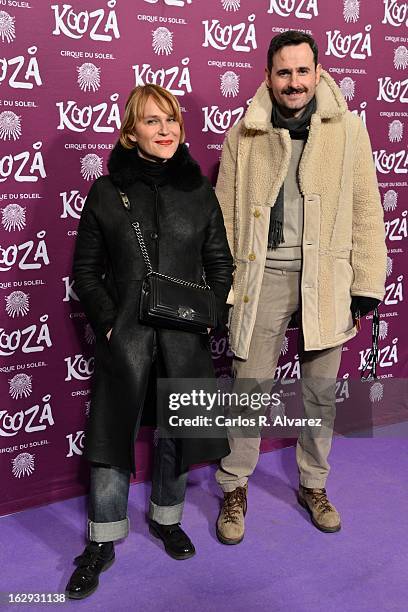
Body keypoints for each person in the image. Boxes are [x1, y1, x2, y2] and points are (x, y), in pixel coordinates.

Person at [214, 30, 387, 544]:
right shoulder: (243, 134)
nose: (294, 82)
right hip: (261, 274)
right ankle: (234, 487)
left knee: (319, 395)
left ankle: (314, 485)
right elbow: (224, 212)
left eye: (302, 71)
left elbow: (365, 210)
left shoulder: (349, 131)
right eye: (283, 72)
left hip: (325, 276)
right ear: (268, 76)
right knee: (248, 389)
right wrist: (224, 283)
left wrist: (365, 286)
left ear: (318, 72)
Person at [66, 84, 233, 598]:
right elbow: (86, 273)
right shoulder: (105, 192)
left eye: (172, 121)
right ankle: (103, 538)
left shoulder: (198, 192)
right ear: (130, 131)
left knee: (175, 436)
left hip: (185, 339)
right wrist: (110, 325)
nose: (165, 131)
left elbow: (220, 264)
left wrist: (209, 319)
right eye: (152, 121)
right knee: (112, 438)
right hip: (129, 338)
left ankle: (166, 518)